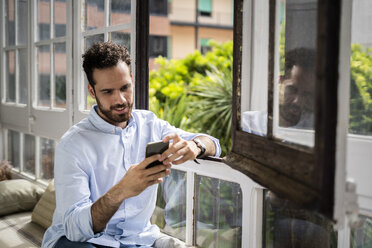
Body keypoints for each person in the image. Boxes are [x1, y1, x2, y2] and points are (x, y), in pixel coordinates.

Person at [42, 41, 220, 248]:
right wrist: (122, 191)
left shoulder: (151, 124)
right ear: (92, 91)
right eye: (108, 92)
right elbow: (74, 229)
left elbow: (213, 143)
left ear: (132, 81)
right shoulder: (72, 145)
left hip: (138, 240)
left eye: (125, 87)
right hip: (81, 241)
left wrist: (196, 146)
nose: (120, 100)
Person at [241, 47, 316, 135]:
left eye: (306, 94)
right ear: (279, 82)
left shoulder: (312, 130)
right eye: (292, 90)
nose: (297, 101)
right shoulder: (250, 124)